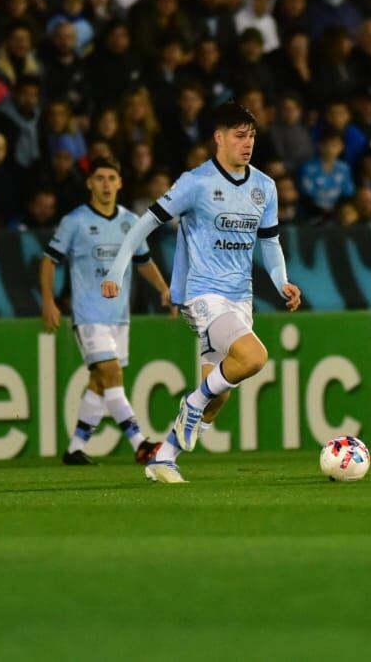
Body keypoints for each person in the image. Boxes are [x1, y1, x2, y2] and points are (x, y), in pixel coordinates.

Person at [101, 103, 301, 483]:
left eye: (252, 136)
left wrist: (282, 282)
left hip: (240, 298)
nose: (247, 144)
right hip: (203, 295)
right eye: (240, 136)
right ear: (219, 138)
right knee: (254, 357)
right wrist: (116, 269)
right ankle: (189, 404)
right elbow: (145, 223)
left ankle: (162, 458)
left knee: (219, 395)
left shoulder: (265, 187)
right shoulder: (196, 182)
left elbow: (270, 243)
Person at [39, 157, 172, 466]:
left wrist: (164, 289)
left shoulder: (129, 221)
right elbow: (48, 260)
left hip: (119, 317)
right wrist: (49, 300)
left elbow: (143, 261)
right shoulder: (75, 221)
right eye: (99, 178)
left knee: (101, 383)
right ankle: (140, 443)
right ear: (89, 183)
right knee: (112, 374)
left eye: (112, 178)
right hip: (88, 314)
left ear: (120, 183)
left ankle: (75, 449)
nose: (106, 184)